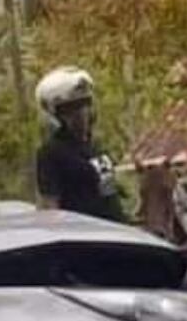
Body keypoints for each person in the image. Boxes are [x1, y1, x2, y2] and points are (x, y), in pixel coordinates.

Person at [33, 66, 125, 222]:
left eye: (86, 103)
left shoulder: (96, 146)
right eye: (71, 108)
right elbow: (50, 206)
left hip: (116, 233)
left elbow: (109, 195)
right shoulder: (51, 152)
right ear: (57, 115)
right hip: (84, 237)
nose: (82, 112)